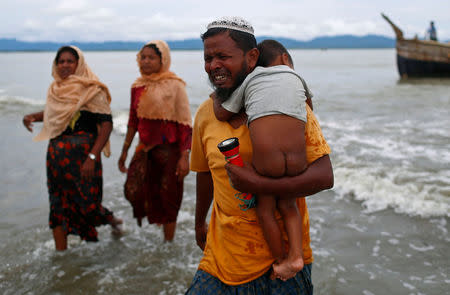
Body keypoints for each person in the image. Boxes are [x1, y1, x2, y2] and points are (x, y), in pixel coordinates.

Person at [186, 17, 333, 294]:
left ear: (251, 57)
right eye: (208, 58)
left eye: (223, 56)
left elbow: (325, 175)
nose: (213, 65)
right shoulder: (206, 113)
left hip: (284, 267)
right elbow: (205, 174)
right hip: (222, 258)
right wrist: (198, 223)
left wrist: (259, 185)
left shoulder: (288, 104)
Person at [212, 39, 316, 280]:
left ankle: (281, 261)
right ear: (285, 59)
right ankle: (297, 256)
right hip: (298, 160)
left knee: (265, 210)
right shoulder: (297, 78)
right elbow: (309, 108)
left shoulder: (251, 80)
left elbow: (222, 112)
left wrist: (217, 96)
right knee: (289, 207)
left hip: (269, 163)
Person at [22, 45, 122, 251]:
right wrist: (33, 116)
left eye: (70, 61)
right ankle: (62, 260)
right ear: (55, 65)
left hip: (84, 160)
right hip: (56, 161)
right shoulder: (55, 89)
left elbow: (106, 124)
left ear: (79, 63)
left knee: (88, 205)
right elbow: (56, 114)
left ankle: (108, 229)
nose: (65, 65)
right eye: (61, 61)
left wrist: (92, 157)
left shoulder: (93, 89)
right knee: (58, 206)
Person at [118, 40, 192, 242]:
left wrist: (185, 156)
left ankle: (168, 243)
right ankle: (160, 225)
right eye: (143, 57)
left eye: (152, 57)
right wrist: (125, 150)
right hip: (145, 150)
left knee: (170, 197)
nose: (146, 61)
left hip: (170, 152)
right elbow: (134, 119)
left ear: (163, 60)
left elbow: (185, 123)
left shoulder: (175, 85)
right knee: (135, 191)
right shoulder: (137, 86)